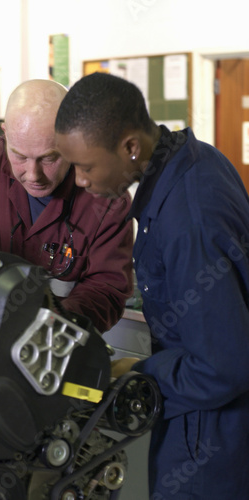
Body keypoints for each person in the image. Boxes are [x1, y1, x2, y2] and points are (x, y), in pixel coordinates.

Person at [55, 72, 249, 499]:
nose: (81, 181)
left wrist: (137, 372)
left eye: (86, 167)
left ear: (129, 147)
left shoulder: (188, 218)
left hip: (209, 439)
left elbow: (224, 366)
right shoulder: (197, 161)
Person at [0, 79, 134, 334]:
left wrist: (48, 323)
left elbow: (106, 290)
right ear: (6, 134)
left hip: (51, 348)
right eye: (19, 156)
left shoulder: (107, 196)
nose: (33, 174)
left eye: (49, 158)